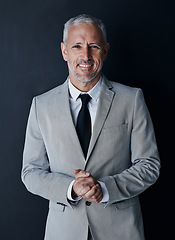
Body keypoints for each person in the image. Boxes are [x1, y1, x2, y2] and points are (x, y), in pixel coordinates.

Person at [21, 14, 160, 240]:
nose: (85, 56)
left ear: (104, 51)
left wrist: (105, 188)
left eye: (93, 46)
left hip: (120, 231)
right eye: (77, 46)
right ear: (65, 51)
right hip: (63, 232)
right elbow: (30, 172)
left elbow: (149, 164)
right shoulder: (41, 105)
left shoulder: (131, 99)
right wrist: (71, 189)